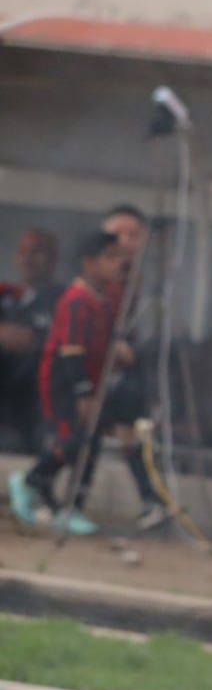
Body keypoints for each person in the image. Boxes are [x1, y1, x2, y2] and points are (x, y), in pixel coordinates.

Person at [8, 228, 138, 536]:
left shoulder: (102, 300)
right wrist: (82, 392)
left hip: (92, 383)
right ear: (88, 262)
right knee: (71, 442)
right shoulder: (76, 301)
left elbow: (101, 342)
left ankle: (72, 506)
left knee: (90, 445)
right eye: (110, 258)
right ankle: (31, 481)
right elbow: (71, 350)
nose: (117, 264)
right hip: (66, 384)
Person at [0, 226, 62, 456]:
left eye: (36, 252)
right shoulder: (6, 297)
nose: (27, 259)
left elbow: (32, 340)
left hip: (41, 411)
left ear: (52, 259)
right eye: (22, 252)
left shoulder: (63, 299)